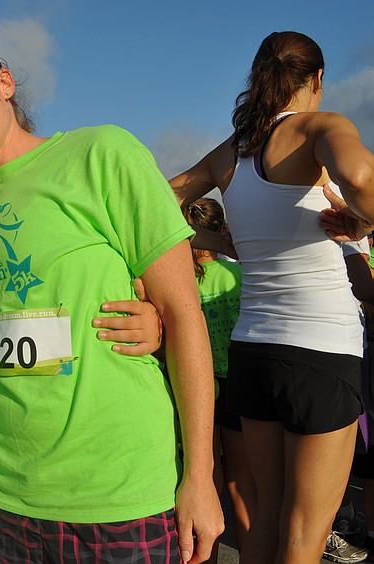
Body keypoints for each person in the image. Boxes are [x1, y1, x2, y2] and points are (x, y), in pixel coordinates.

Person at [0, 29, 222, 563]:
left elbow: (185, 317)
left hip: (119, 494)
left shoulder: (102, 153)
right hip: (7, 497)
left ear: (3, 81)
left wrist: (201, 477)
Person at [169, 31, 374, 563]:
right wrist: (364, 219)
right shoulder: (321, 128)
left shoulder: (232, 151)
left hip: (253, 354)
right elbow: (359, 175)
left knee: (262, 521)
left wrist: (216, 240)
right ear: (318, 80)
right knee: (304, 535)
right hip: (323, 353)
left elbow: (159, 200)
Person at [182, 198, 254, 563]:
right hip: (237, 384)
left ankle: (202, 557)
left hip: (198, 388)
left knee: (204, 474)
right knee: (240, 481)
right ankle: (251, 553)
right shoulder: (239, 276)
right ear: (222, 229)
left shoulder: (182, 285)